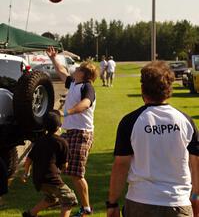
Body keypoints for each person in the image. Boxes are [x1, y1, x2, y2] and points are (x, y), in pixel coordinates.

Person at [107, 61, 199, 217]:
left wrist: (112, 203)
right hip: (178, 204)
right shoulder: (185, 121)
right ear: (169, 89)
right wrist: (196, 197)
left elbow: (121, 165)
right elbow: (196, 164)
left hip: (140, 203)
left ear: (143, 89)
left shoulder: (130, 121)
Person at [47, 46, 98, 217]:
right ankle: (56, 197)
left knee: (76, 174)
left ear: (84, 74)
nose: (74, 70)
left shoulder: (88, 87)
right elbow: (61, 72)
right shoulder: (74, 83)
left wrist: (66, 112)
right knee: (52, 162)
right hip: (70, 133)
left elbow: (85, 104)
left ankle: (86, 209)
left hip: (82, 133)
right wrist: (54, 58)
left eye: (78, 69)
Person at [22, 110, 78, 217]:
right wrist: (59, 172)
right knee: (69, 199)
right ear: (58, 126)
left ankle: (30, 214)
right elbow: (65, 165)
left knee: (52, 198)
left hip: (38, 179)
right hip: (51, 178)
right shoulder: (62, 142)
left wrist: (26, 173)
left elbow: (29, 159)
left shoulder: (40, 140)